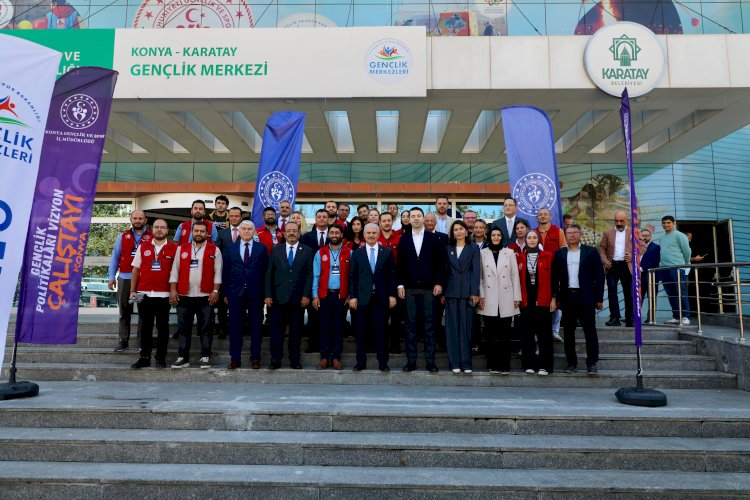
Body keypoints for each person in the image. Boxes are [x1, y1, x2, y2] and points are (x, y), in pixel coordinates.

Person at [551, 224, 605, 375]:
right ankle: (571, 363)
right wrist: (556, 296)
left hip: (586, 297)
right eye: (569, 233)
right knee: (568, 332)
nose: (572, 235)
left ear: (580, 235)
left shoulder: (591, 252)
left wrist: (599, 298)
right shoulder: (560, 254)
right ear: (565, 236)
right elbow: (555, 278)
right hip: (568, 297)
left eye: (575, 233)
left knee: (590, 331)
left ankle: (592, 363)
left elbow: (599, 276)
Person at [397, 208, 445, 373]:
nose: (416, 219)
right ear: (408, 219)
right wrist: (400, 285)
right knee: (411, 326)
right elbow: (401, 264)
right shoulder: (403, 239)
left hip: (429, 289)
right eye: (413, 216)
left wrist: (439, 282)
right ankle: (411, 361)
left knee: (429, 326)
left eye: (419, 216)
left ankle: (430, 362)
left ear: (423, 218)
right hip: (410, 289)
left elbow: (440, 263)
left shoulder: (434, 238)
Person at [169, 221, 223, 369]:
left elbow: (218, 272)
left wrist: (215, 291)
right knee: (184, 327)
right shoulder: (182, 248)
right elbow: (175, 270)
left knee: (206, 327)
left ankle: (205, 356)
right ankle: (182, 357)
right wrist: (173, 290)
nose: (199, 234)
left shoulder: (214, 250)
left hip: (206, 295)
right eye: (196, 231)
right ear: (192, 232)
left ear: (207, 234)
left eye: (202, 231)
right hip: (184, 295)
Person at [264, 222, 314, 369]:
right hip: (277, 299)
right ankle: (275, 360)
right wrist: (267, 294)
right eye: (288, 231)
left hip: (298, 300)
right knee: (276, 332)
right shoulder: (275, 250)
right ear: (284, 233)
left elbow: (309, 275)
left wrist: (306, 295)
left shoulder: (307, 250)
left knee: (296, 332)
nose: (291, 233)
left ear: (299, 233)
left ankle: (294, 360)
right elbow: (269, 274)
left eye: (294, 231)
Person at [349, 223, 397, 371]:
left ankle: (383, 363)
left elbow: (391, 275)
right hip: (362, 299)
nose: (371, 236)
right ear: (364, 235)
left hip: (381, 298)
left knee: (381, 332)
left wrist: (392, 295)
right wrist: (353, 296)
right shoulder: (357, 253)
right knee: (361, 332)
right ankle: (360, 362)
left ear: (378, 235)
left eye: (373, 233)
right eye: (368, 233)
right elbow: (353, 276)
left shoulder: (386, 252)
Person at [129, 219, 176, 369]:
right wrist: (132, 291)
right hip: (144, 294)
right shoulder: (143, 247)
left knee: (163, 328)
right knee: (145, 327)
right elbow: (135, 270)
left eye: (163, 227)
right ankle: (144, 357)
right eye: (157, 227)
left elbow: (177, 273)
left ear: (167, 230)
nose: (159, 230)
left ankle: (160, 358)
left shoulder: (174, 248)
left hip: (164, 294)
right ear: (152, 229)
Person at [223, 220, 268, 369]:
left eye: (250, 229)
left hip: (256, 294)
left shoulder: (262, 249)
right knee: (235, 327)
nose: (247, 231)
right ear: (239, 231)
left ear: (254, 232)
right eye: (244, 229)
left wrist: (265, 293)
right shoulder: (230, 248)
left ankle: (255, 358)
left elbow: (265, 273)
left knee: (256, 327)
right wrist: (225, 293)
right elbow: (226, 272)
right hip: (236, 294)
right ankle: (235, 358)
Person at [477, 227, 521, 374]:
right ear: (489, 236)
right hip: (488, 298)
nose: (496, 237)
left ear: (502, 237)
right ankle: (493, 364)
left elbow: (515, 275)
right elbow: (480, 276)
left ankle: (505, 365)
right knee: (490, 334)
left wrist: (517, 297)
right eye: (493, 235)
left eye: (498, 235)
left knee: (505, 335)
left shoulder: (508, 252)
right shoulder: (482, 253)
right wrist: (481, 295)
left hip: (506, 296)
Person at [108, 210, 153, 352]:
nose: (137, 220)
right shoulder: (122, 236)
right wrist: (111, 278)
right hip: (125, 278)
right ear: (130, 219)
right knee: (124, 311)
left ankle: (142, 342)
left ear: (145, 220)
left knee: (144, 313)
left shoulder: (152, 237)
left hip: (144, 280)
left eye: (140, 218)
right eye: (135, 218)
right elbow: (115, 258)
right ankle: (123, 341)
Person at [443, 221, 481, 373]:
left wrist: (475, 292)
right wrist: (444, 292)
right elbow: (445, 272)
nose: (458, 232)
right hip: (451, 293)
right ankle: (455, 364)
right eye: (455, 230)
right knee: (452, 329)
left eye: (461, 229)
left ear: (467, 232)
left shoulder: (474, 248)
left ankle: (466, 363)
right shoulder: (448, 249)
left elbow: (476, 271)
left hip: (467, 294)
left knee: (466, 329)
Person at [516, 230, 555, 376]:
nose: (532, 240)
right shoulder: (520, 257)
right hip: (526, 301)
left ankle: (545, 366)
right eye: (529, 238)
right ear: (525, 240)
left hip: (543, 301)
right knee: (527, 335)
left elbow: (554, 279)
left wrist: (554, 298)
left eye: (534, 238)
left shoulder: (548, 256)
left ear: (538, 240)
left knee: (544, 335)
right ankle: (529, 364)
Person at [312, 224, 351, 370]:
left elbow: (352, 276)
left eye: (337, 232)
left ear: (341, 235)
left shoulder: (349, 252)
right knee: (324, 327)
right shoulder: (320, 252)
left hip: (341, 296)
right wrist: (315, 295)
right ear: (328, 235)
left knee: (338, 327)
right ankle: (324, 357)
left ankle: (336, 357)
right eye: (332, 232)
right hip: (324, 295)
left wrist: (350, 295)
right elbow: (316, 275)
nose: (334, 235)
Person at [535, 207, 566, 342]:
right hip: (538, 271)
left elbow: (564, 250)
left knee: (556, 300)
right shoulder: (533, 232)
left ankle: (555, 330)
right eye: (540, 215)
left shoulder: (558, 231)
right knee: (539, 300)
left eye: (545, 214)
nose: (542, 217)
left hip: (555, 270)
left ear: (550, 217)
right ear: (537, 218)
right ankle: (539, 331)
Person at [599, 211, 634, 327]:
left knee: (628, 293)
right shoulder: (608, 233)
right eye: (616, 221)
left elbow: (642, 248)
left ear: (626, 220)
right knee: (612, 292)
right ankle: (614, 318)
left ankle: (630, 318)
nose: (618, 223)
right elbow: (602, 249)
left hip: (626, 265)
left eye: (621, 221)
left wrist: (633, 255)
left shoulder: (634, 232)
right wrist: (604, 260)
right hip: (612, 266)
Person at [214, 206, 244, 340]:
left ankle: (238, 328)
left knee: (240, 303)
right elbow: (217, 253)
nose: (234, 218)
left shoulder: (246, 233)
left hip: (241, 274)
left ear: (241, 217)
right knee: (222, 303)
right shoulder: (222, 234)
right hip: (225, 273)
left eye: (236, 216)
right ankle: (222, 328)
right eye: (231, 216)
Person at [658, 215, 692, 325]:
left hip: (677, 268)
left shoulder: (680, 235)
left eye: (668, 222)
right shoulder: (661, 237)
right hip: (664, 269)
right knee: (671, 293)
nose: (666, 225)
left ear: (674, 223)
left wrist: (685, 264)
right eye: (664, 223)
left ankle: (685, 316)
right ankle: (676, 316)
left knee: (681, 292)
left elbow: (687, 251)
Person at [378, 211, 402, 353]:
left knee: (396, 316)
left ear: (392, 222)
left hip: (396, 279)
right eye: (384, 221)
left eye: (389, 220)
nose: (387, 223)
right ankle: (381, 345)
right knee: (381, 316)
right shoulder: (376, 237)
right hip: (380, 281)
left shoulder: (400, 238)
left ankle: (395, 345)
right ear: (379, 223)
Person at [640, 228, 661, 308]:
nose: (645, 237)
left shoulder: (656, 247)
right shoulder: (636, 247)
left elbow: (655, 262)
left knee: (651, 298)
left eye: (647, 235)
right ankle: (635, 318)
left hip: (651, 276)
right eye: (643, 236)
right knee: (637, 299)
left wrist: (642, 268)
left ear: (650, 236)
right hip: (639, 277)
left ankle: (651, 318)